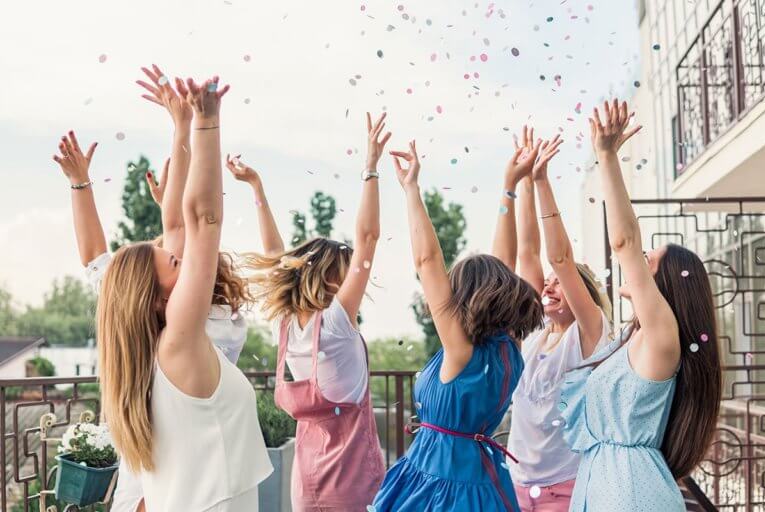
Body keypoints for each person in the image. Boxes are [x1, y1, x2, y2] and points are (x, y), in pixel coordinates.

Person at [53, 65, 270, 512]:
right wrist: (206, 124)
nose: (182, 255)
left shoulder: (150, 353)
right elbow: (202, 220)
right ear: (155, 297)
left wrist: (182, 127)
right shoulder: (179, 342)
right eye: (173, 261)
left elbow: (177, 223)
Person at [558, 100, 722, 511]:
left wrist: (607, 157)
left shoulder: (662, 336)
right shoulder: (629, 340)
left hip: (629, 495)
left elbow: (624, 242)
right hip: (604, 487)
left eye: (651, 259)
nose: (639, 258)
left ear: (665, 284)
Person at [372, 140, 544, 511]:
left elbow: (426, 259)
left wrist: (412, 189)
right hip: (483, 484)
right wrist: (508, 189)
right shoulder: (507, 347)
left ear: (463, 296)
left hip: (437, 489)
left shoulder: (461, 349)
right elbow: (504, 262)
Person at [240, 113, 390, 511]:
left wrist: (257, 188)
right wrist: (370, 169)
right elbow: (369, 238)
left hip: (306, 483)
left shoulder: (286, 325)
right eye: (345, 269)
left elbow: (277, 259)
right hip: (352, 482)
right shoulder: (338, 322)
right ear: (330, 279)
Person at [493, 127, 612, 511]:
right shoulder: (534, 333)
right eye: (547, 282)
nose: (548, 286)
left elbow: (558, 257)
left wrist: (542, 183)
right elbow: (528, 252)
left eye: (559, 283)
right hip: (517, 482)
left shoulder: (588, 332)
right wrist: (525, 178)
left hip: (566, 487)